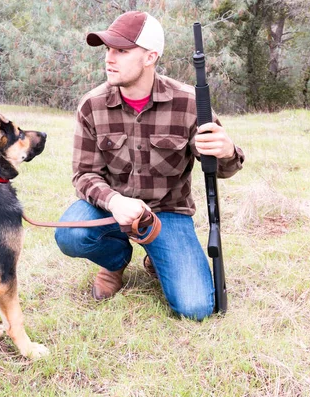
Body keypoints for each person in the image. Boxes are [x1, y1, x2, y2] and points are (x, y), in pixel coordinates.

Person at [54, 11, 245, 321]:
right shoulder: (92, 105)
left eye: (122, 50)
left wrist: (225, 151)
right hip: (111, 211)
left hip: (167, 213)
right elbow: (84, 175)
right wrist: (115, 202)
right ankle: (115, 260)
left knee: (195, 307)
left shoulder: (190, 103)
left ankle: (157, 257)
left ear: (150, 57)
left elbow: (222, 169)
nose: (110, 58)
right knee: (71, 234)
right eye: (108, 49)